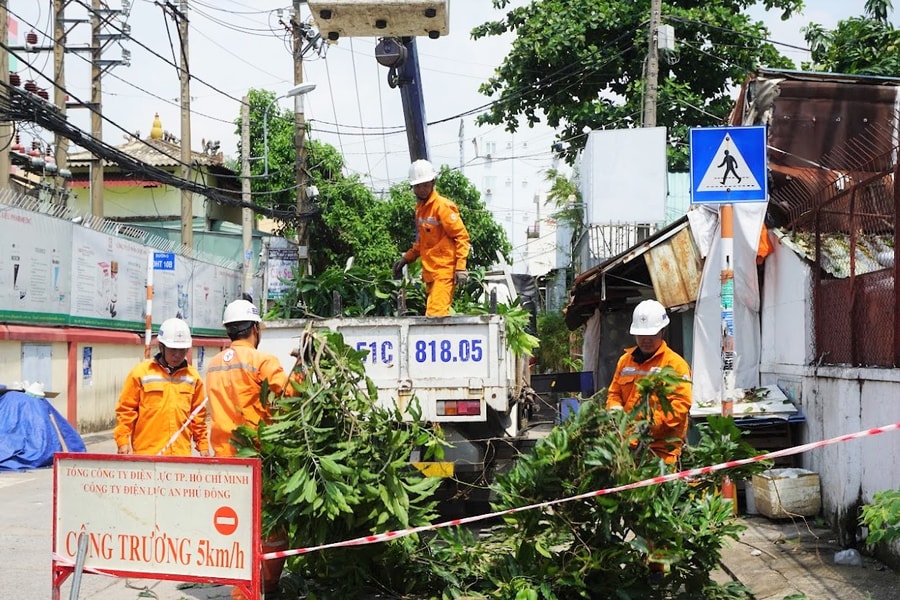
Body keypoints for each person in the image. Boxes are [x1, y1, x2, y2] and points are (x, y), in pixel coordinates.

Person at [206, 299, 300, 457]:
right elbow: (290, 393)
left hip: (222, 453)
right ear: (255, 329)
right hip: (253, 453)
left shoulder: (214, 363)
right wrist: (301, 367)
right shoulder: (262, 361)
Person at [606, 299, 692, 465]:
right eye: (641, 335)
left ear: (663, 331)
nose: (646, 339)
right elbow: (614, 393)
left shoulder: (675, 364)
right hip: (626, 448)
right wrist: (614, 410)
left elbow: (680, 406)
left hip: (661, 453)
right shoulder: (625, 361)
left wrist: (649, 426)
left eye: (651, 335)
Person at [113, 317, 209, 456]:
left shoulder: (193, 378)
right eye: (172, 350)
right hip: (147, 454)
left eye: (182, 350)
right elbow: (126, 410)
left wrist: (203, 445)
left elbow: (198, 416)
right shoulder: (141, 373)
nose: (177, 355)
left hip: (180, 455)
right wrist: (122, 441)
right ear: (161, 346)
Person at [392, 159, 471, 317]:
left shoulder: (442, 207)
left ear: (433, 182)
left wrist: (461, 267)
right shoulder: (421, 210)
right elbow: (422, 243)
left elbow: (461, 237)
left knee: (435, 316)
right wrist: (406, 259)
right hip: (430, 273)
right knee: (435, 316)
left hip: (443, 272)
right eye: (417, 186)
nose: (421, 189)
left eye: (425, 185)